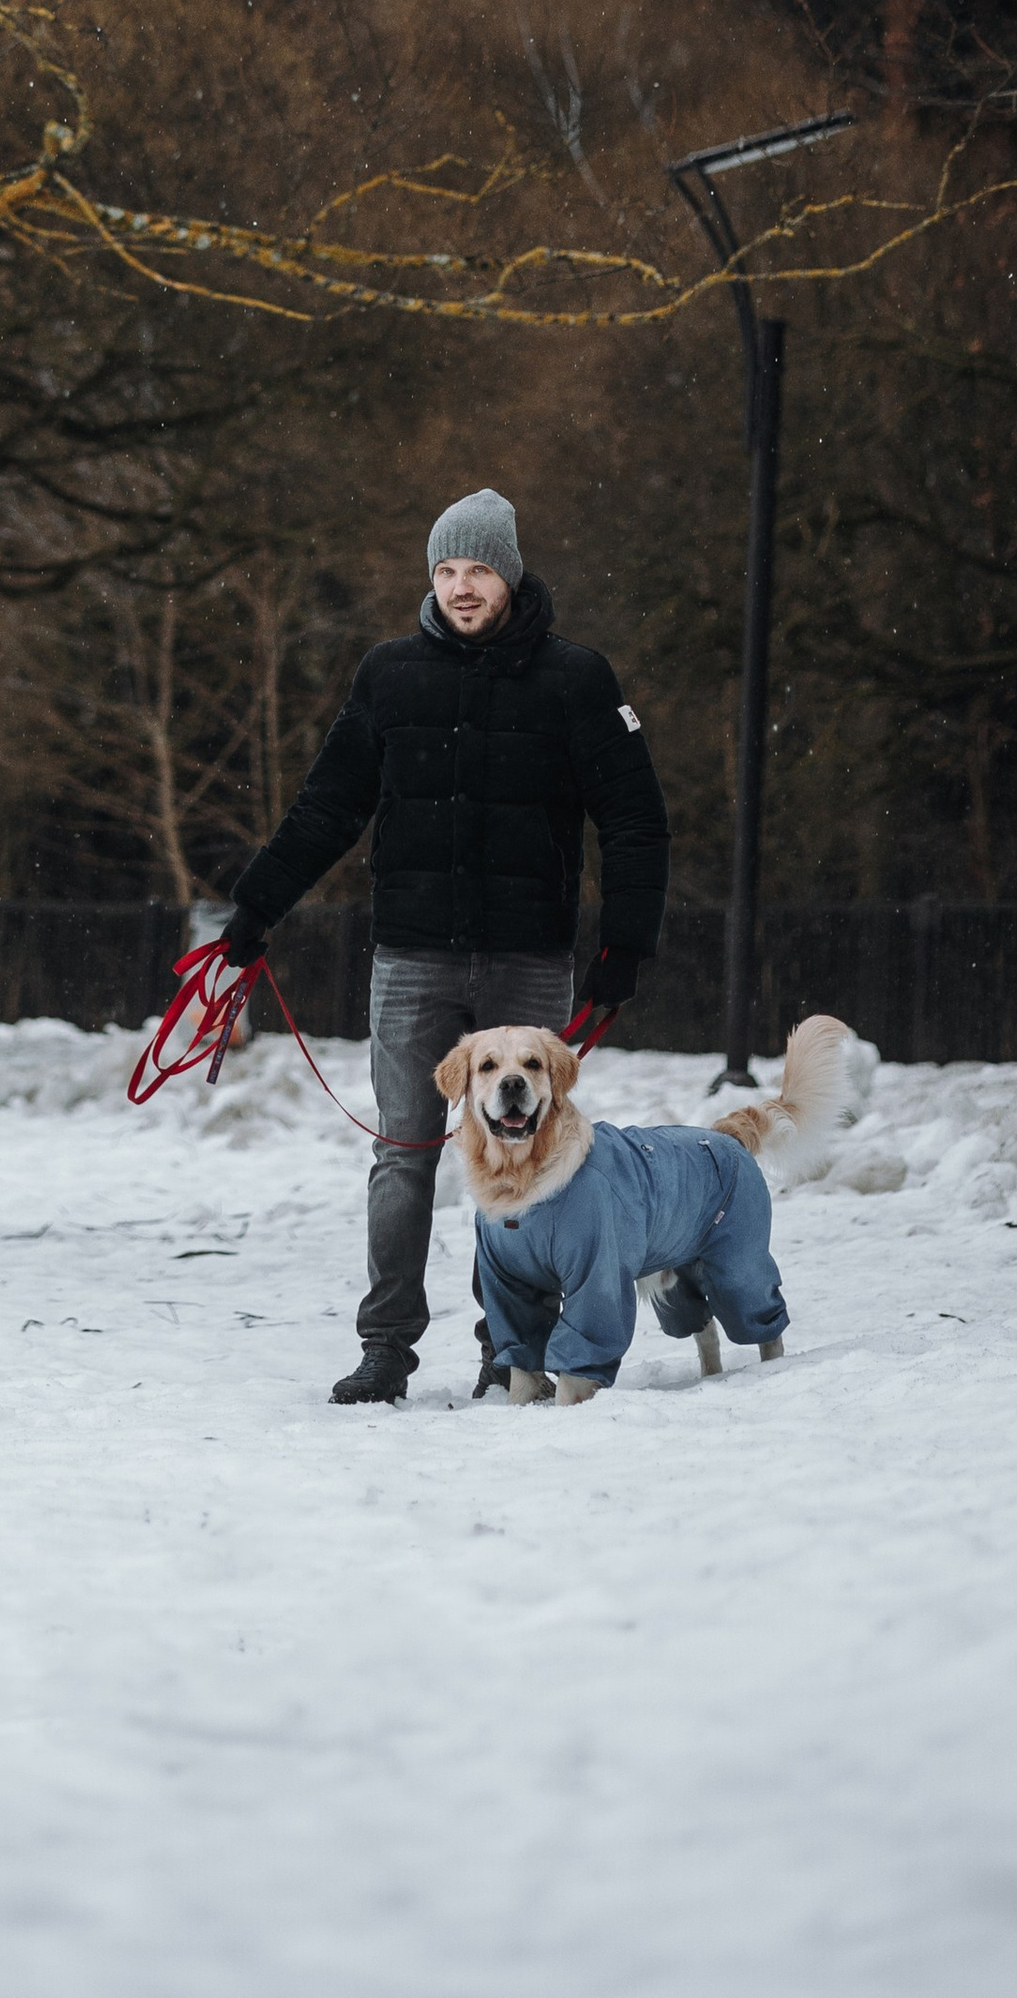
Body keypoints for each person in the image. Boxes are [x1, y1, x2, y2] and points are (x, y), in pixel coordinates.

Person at [216, 487, 669, 1405]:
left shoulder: (576, 678)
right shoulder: (388, 675)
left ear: (509, 572)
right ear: (432, 576)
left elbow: (634, 820)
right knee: (404, 1151)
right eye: (448, 569)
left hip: (527, 958)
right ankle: (386, 1345)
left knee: (533, 1148)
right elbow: (327, 808)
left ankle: (511, 1346)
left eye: (480, 569)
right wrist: (255, 908)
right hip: (413, 957)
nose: (464, 587)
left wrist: (624, 944)